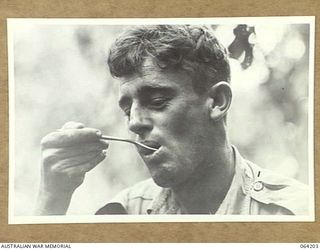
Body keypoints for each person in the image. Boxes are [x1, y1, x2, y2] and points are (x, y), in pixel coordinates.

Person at [35, 25, 309, 216]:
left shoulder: (297, 213)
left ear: (217, 102)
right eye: (127, 108)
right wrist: (52, 200)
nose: (134, 123)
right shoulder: (123, 214)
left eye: (157, 101)